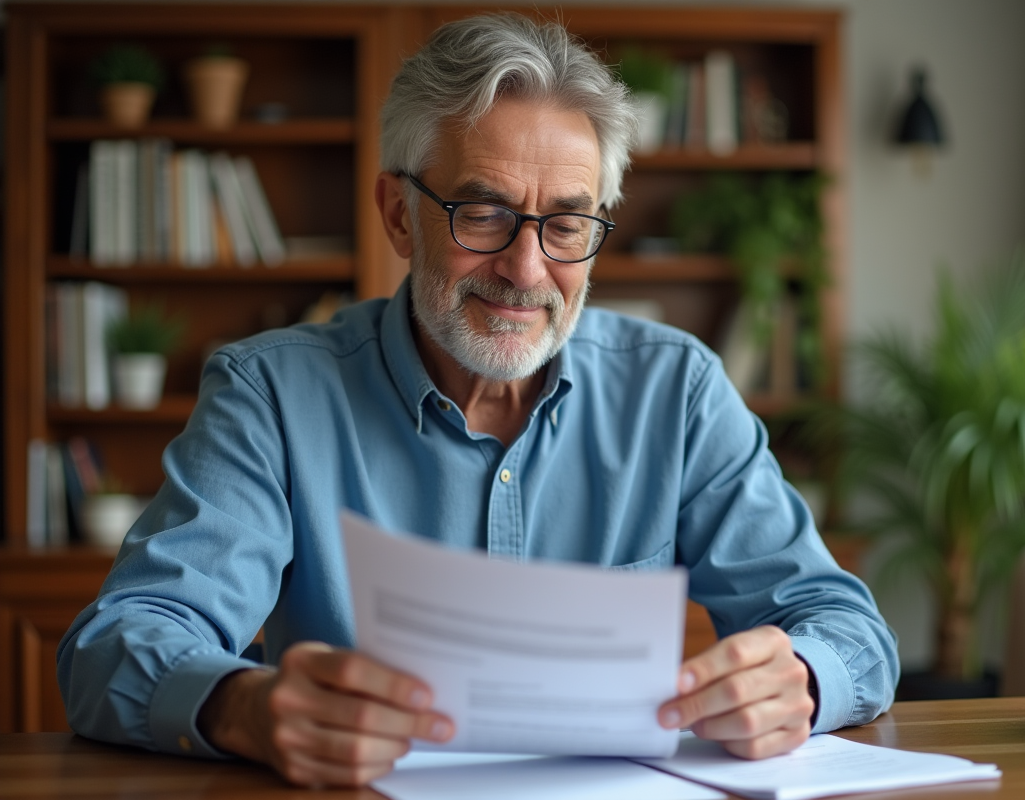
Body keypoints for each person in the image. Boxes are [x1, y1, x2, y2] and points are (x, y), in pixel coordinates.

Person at [58, 13, 898, 788]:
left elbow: (844, 626)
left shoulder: (675, 390)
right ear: (398, 214)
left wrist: (803, 680)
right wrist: (242, 706)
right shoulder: (271, 393)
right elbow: (114, 643)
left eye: (566, 225)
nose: (527, 271)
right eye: (484, 214)